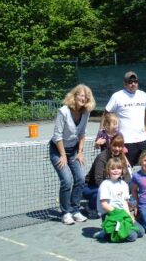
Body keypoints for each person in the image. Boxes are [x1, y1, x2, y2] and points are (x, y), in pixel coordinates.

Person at [49, 84, 95, 225]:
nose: (83, 98)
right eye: (80, 95)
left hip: (73, 150)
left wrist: (80, 152)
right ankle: (65, 213)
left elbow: (82, 133)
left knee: (80, 179)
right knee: (67, 180)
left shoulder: (85, 113)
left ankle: (75, 210)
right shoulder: (63, 112)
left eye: (86, 96)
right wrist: (62, 155)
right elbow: (57, 136)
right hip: (58, 150)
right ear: (74, 96)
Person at [105, 71, 146, 166]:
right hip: (126, 141)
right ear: (125, 83)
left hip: (142, 139)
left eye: (135, 81)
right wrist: (105, 132)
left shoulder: (143, 95)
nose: (133, 84)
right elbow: (106, 113)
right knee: (126, 168)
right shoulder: (117, 96)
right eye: (130, 82)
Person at [96, 157, 145, 242]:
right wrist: (118, 212)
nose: (116, 171)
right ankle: (108, 233)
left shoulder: (124, 184)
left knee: (141, 232)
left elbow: (124, 203)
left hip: (122, 214)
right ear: (108, 170)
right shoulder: (105, 184)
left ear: (122, 170)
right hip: (110, 215)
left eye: (118, 168)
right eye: (113, 168)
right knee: (132, 236)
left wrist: (129, 215)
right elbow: (104, 204)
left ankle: (116, 230)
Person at [84, 133, 131, 218]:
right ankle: (90, 206)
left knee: (131, 185)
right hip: (91, 186)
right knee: (99, 193)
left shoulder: (122, 157)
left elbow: (127, 176)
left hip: (113, 183)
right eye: (115, 146)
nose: (117, 149)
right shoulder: (102, 158)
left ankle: (123, 203)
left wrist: (122, 186)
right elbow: (98, 180)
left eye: (120, 146)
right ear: (110, 144)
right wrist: (112, 189)